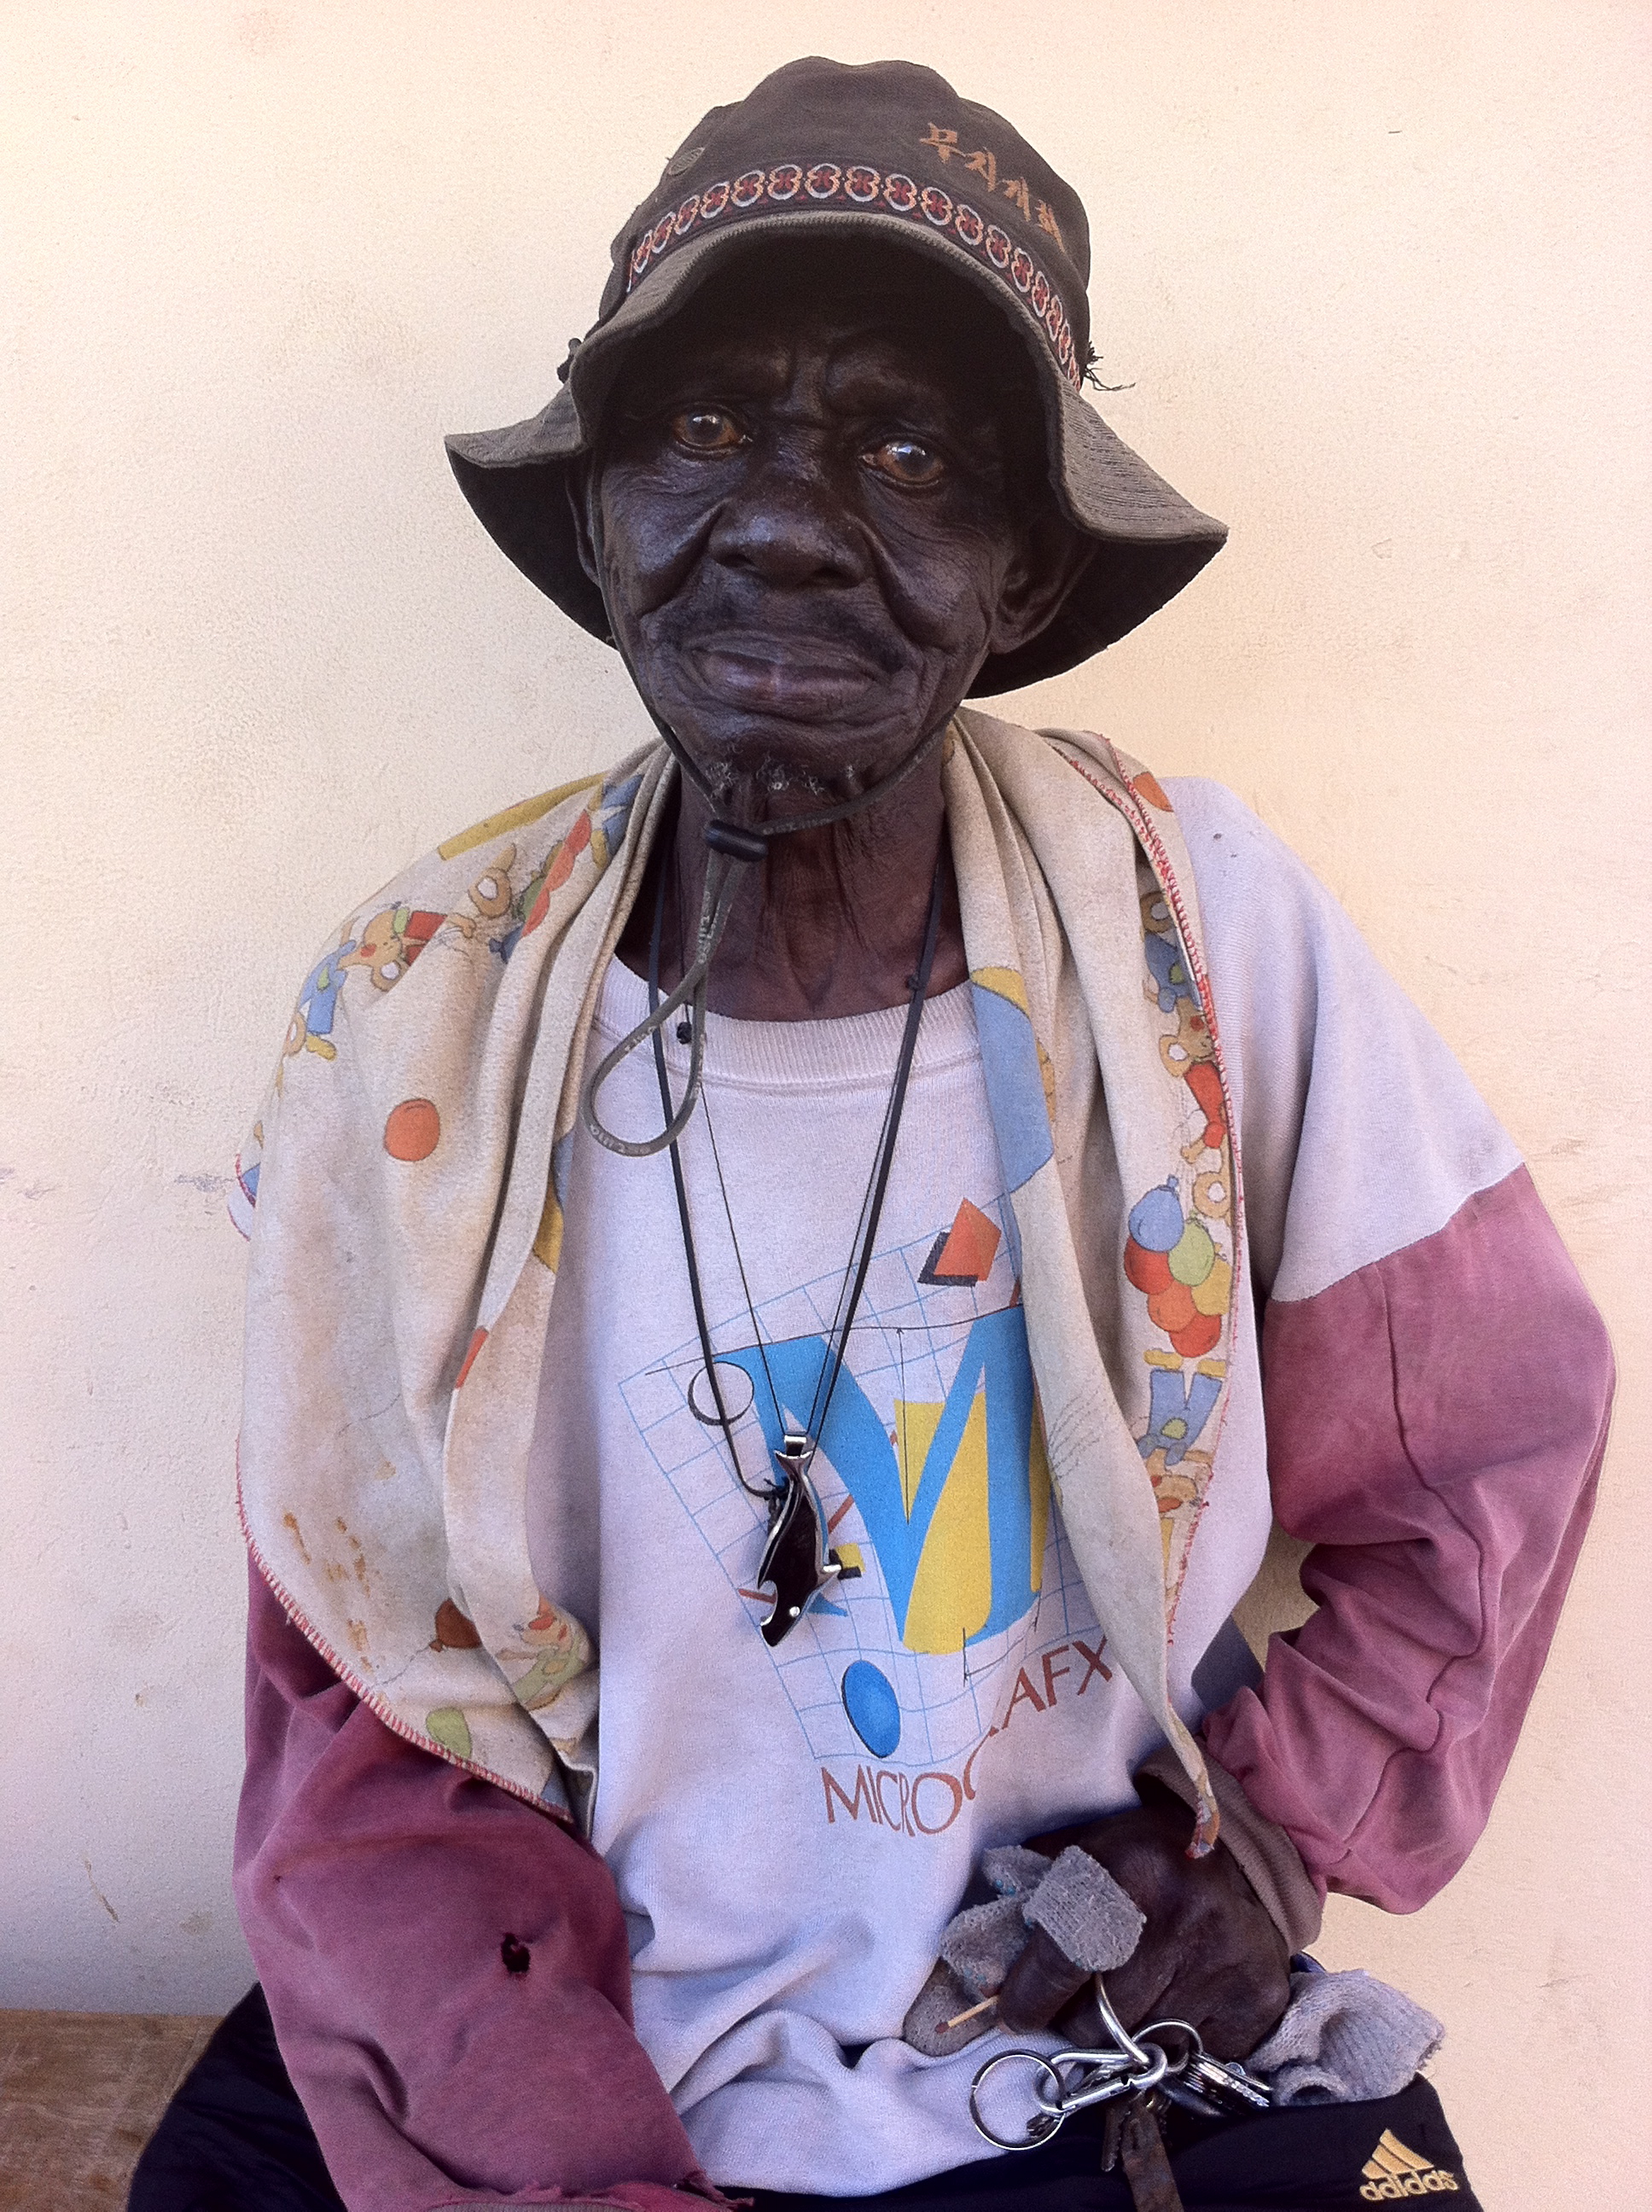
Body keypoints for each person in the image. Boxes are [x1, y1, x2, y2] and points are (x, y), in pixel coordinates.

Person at [131, 55, 1612, 2212]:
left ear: (1020, 570)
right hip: (550, 2022)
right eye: (700, 432)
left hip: (1052, 2030)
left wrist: (1273, 1840)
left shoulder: (1198, 931)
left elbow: (1488, 1432)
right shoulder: (411, 1011)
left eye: (907, 451)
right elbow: (362, 1713)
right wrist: (565, 2149)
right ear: (602, 520)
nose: (783, 521)